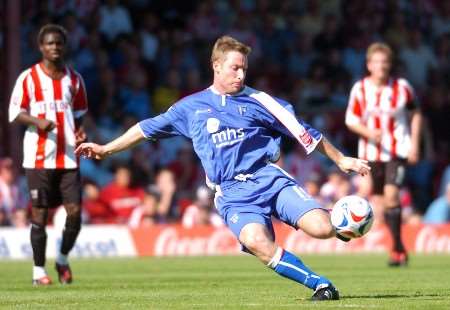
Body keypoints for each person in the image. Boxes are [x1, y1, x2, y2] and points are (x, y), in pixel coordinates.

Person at [76, 35, 369, 301]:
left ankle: (342, 224)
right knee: (257, 242)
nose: (241, 75)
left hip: (267, 179)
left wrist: (341, 159)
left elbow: (304, 132)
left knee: (321, 230)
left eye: (244, 69)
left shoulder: (260, 101)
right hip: (231, 193)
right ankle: (321, 285)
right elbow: (145, 128)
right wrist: (106, 148)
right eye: (235, 68)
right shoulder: (190, 108)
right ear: (216, 65)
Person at [8, 24, 88, 285]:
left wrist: (80, 133)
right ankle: (38, 272)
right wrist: (36, 121)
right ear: (41, 47)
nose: (54, 47)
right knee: (40, 214)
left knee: (75, 212)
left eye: (58, 43)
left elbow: (79, 115)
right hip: (39, 158)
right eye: (49, 43)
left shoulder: (74, 79)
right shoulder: (28, 78)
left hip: (68, 156)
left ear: (64, 46)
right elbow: (14, 112)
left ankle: (62, 259)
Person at [345, 42, 423, 267]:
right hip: (370, 153)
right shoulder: (360, 89)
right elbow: (351, 120)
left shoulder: (402, 87)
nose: (381, 66)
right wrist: (368, 131)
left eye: (385, 62)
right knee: (374, 198)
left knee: (391, 195)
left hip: (396, 150)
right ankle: (397, 246)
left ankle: (397, 248)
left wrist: (415, 144)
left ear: (390, 65)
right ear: (369, 65)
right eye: (377, 62)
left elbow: (415, 113)